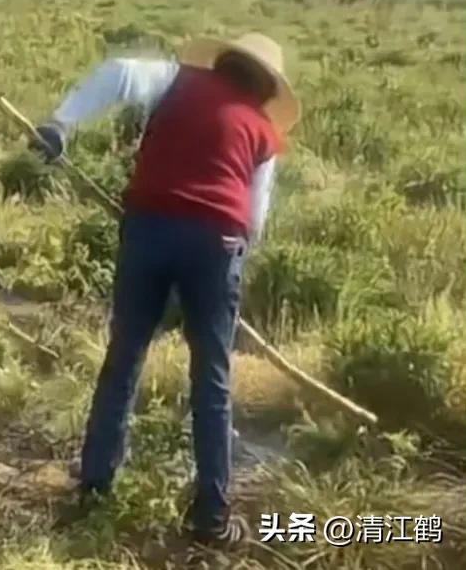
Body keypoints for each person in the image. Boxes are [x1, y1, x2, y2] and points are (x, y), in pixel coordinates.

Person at [31, 33, 298, 547]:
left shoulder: (178, 80)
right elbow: (255, 217)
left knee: (125, 356)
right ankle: (212, 515)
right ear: (266, 88)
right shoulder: (263, 131)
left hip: (150, 228)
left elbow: (117, 73)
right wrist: (229, 266)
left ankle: (95, 489)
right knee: (212, 377)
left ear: (223, 62)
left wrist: (60, 122)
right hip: (216, 243)